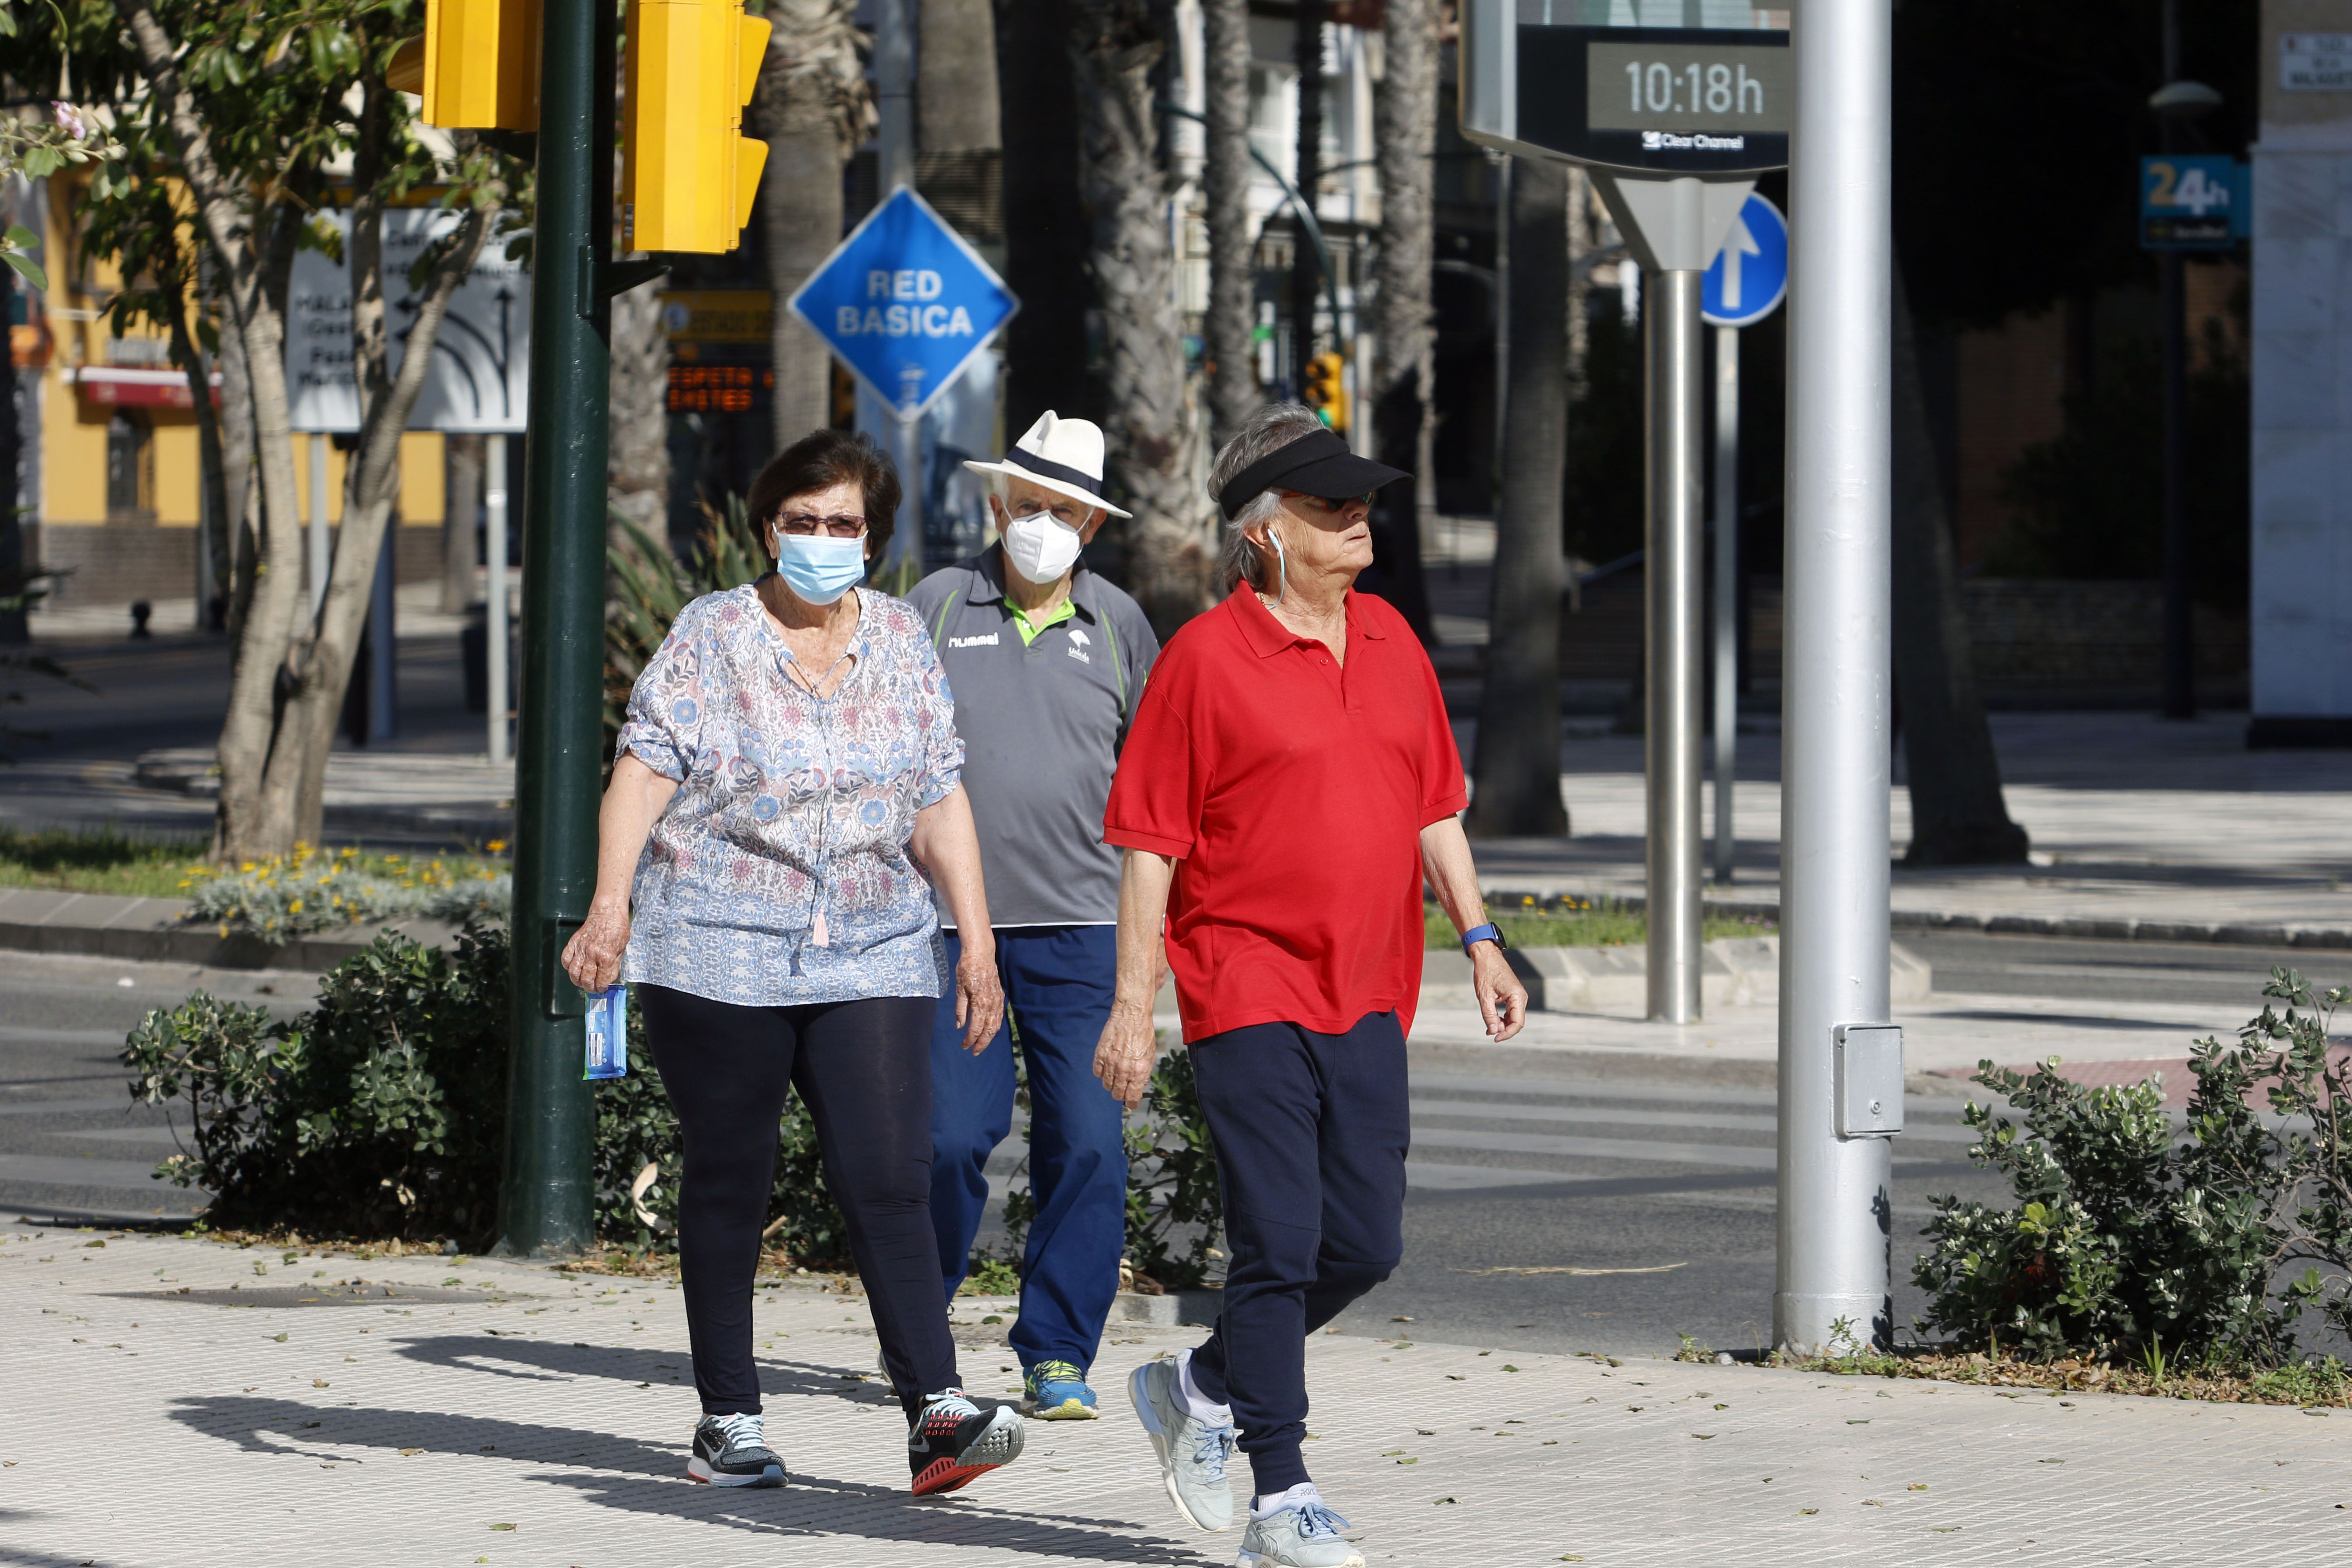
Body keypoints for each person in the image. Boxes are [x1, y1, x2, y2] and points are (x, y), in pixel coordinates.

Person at [1092, 404, 1528, 1567]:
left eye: (1362, 504)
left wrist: (1479, 937)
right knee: (1278, 1240)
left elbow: (1432, 802)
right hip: (1242, 982)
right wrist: (1134, 1003)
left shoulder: (1388, 639)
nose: (1357, 523)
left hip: (1370, 986)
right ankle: (1280, 1497)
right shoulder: (1203, 661)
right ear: (1263, 532)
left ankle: (1196, 1381)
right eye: (1330, 509)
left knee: (1363, 1245)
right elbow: (1148, 844)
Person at [560, 429, 1027, 1498]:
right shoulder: (712, 633)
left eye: (845, 524)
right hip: (719, 939)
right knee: (733, 1170)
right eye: (803, 522)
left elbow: (937, 793)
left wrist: (977, 938)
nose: (823, 541)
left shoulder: (904, 638)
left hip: (871, 940)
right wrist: (610, 904)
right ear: (769, 527)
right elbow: (641, 772)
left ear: (874, 534)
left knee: (890, 1174)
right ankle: (728, 1417)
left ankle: (938, 1414)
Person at [904, 411, 1161, 1422]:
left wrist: (1155, 949)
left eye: (1063, 511)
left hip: (1087, 934)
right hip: (942, 928)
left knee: (1090, 1143)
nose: (1039, 525)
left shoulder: (1121, 628)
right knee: (945, 1139)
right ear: (996, 504)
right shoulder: (931, 607)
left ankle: (1056, 1352)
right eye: (1027, 505)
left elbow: (1158, 789)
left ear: (1091, 527)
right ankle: (916, 1329)